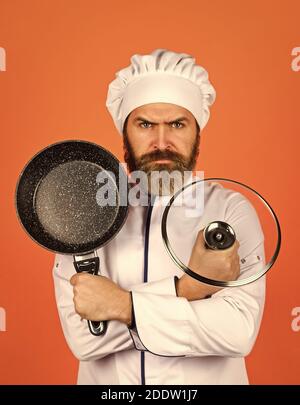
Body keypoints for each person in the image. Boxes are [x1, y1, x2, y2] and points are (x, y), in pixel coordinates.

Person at [52, 49, 266, 385]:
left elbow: (238, 331)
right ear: (125, 132)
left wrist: (122, 306)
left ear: (198, 131)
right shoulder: (84, 210)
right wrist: (189, 289)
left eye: (177, 124)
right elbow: (85, 340)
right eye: (145, 124)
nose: (161, 142)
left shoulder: (230, 211)